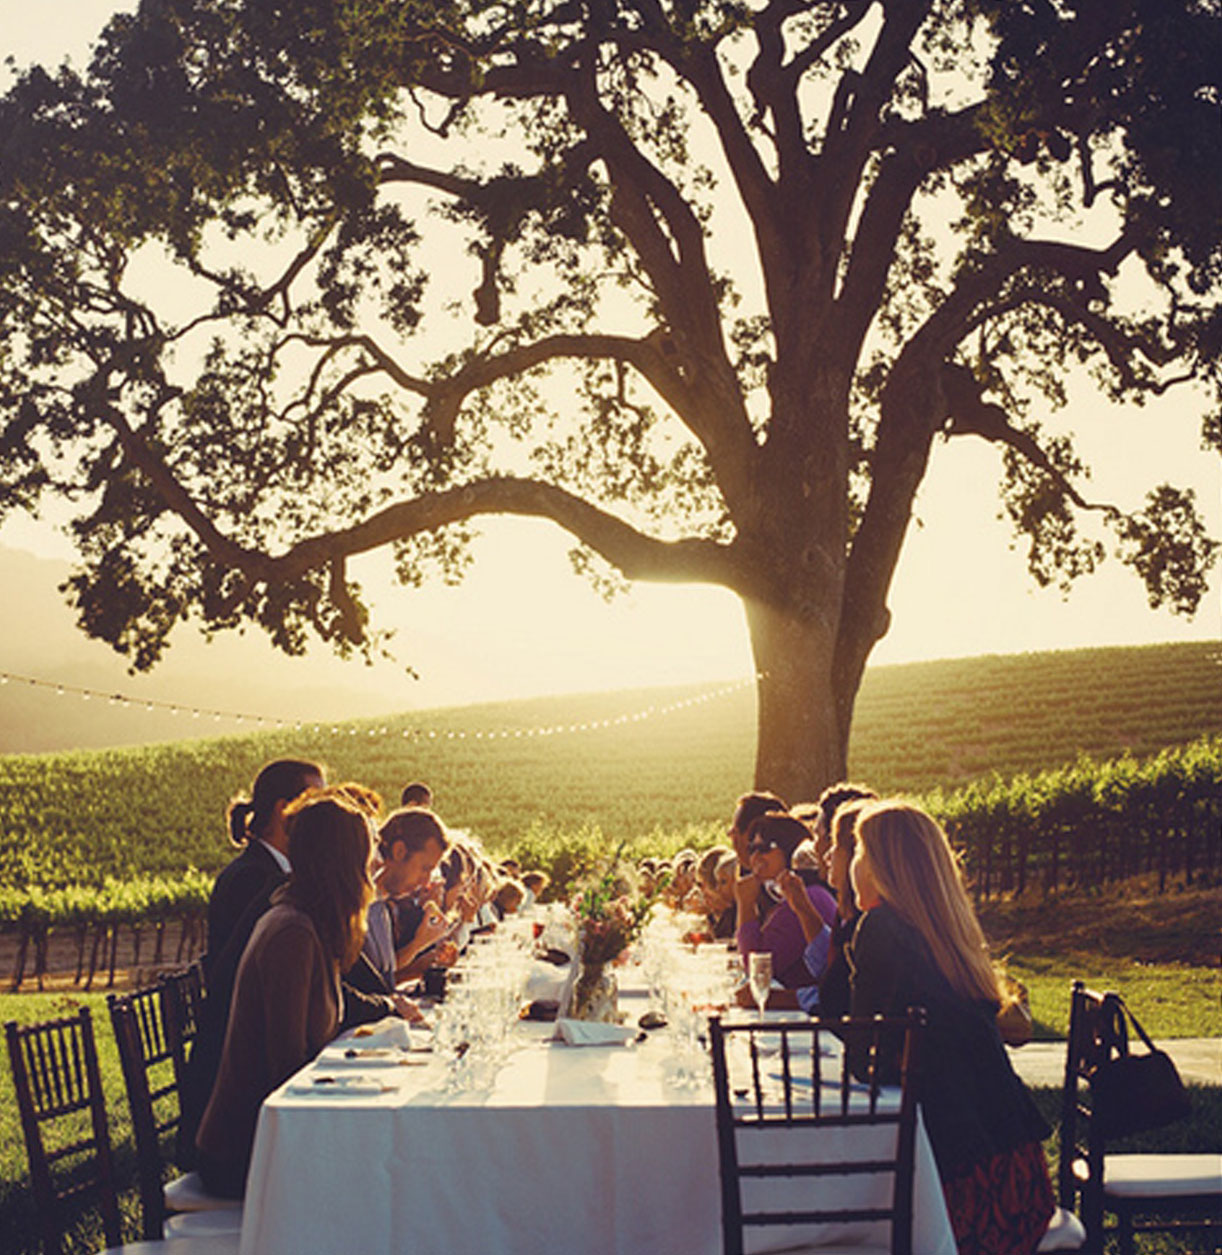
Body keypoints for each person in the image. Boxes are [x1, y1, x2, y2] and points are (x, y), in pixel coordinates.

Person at [847, 799, 1054, 1255]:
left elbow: (859, 1062)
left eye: (859, 851)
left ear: (884, 866)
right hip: (1020, 1177)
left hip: (963, 1193)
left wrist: (899, 1066)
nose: (852, 864)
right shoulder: (947, 936)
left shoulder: (880, 927)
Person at [195, 789, 376, 1198]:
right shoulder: (291, 932)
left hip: (272, 1137)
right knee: (382, 1178)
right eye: (366, 860)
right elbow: (286, 1072)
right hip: (244, 1151)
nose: (371, 872)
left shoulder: (310, 921)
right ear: (345, 865)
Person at [203, 758, 324, 979]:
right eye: (314, 805)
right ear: (284, 810)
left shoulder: (268, 869)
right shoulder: (251, 879)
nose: (324, 817)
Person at [735, 812, 836, 991]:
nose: (756, 856)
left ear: (790, 849)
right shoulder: (792, 897)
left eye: (765, 847)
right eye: (752, 848)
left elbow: (758, 969)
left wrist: (745, 905)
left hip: (805, 1014)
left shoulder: (808, 898)